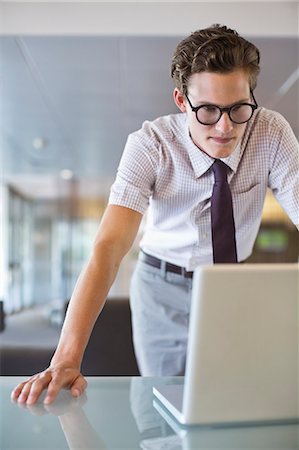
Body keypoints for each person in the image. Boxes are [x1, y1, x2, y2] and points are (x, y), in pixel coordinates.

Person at [11, 24, 299, 405]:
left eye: (238, 108)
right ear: (182, 101)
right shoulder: (149, 146)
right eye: (209, 110)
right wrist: (66, 358)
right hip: (162, 285)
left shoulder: (270, 133)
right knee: (163, 403)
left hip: (231, 285)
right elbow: (108, 247)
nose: (226, 127)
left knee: (233, 395)